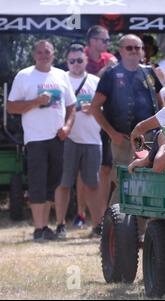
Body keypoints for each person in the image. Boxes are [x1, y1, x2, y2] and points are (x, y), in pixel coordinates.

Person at [7, 40, 77, 242]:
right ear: (34, 54)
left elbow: (72, 106)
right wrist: (36, 102)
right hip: (35, 138)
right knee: (37, 183)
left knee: (52, 184)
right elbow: (11, 107)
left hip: (58, 137)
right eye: (40, 52)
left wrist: (67, 128)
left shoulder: (61, 75)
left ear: (53, 54)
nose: (43, 55)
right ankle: (38, 229)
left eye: (47, 52)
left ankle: (46, 227)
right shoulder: (24, 75)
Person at [91, 34, 163, 206]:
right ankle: (114, 226)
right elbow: (95, 108)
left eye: (137, 48)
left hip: (147, 138)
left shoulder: (149, 73)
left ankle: (142, 230)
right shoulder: (111, 74)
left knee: (147, 180)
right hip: (122, 139)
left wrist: (163, 132)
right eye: (129, 48)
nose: (134, 51)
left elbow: (161, 105)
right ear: (121, 51)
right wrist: (112, 133)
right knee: (124, 181)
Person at [53, 44, 103, 239]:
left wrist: (95, 109)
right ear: (67, 62)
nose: (75, 64)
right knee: (64, 183)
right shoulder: (60, 80)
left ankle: (98, 225)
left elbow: (107, 109)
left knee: (93, 184)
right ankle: (60, 225)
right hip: (68, 139)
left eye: (79, 60)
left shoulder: (96, 82)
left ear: (86, 61)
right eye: (71, 61)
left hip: (92, 139)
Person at [78, 25, 117, 228]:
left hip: (103, 119)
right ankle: (81, 213)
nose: (107, 44)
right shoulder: (80, 57)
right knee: (84, 170)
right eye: (104, 40)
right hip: (82, 123)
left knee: (105, 169)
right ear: (92, 41)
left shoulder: (109, 58)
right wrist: (105, 70)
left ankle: (101, 216)